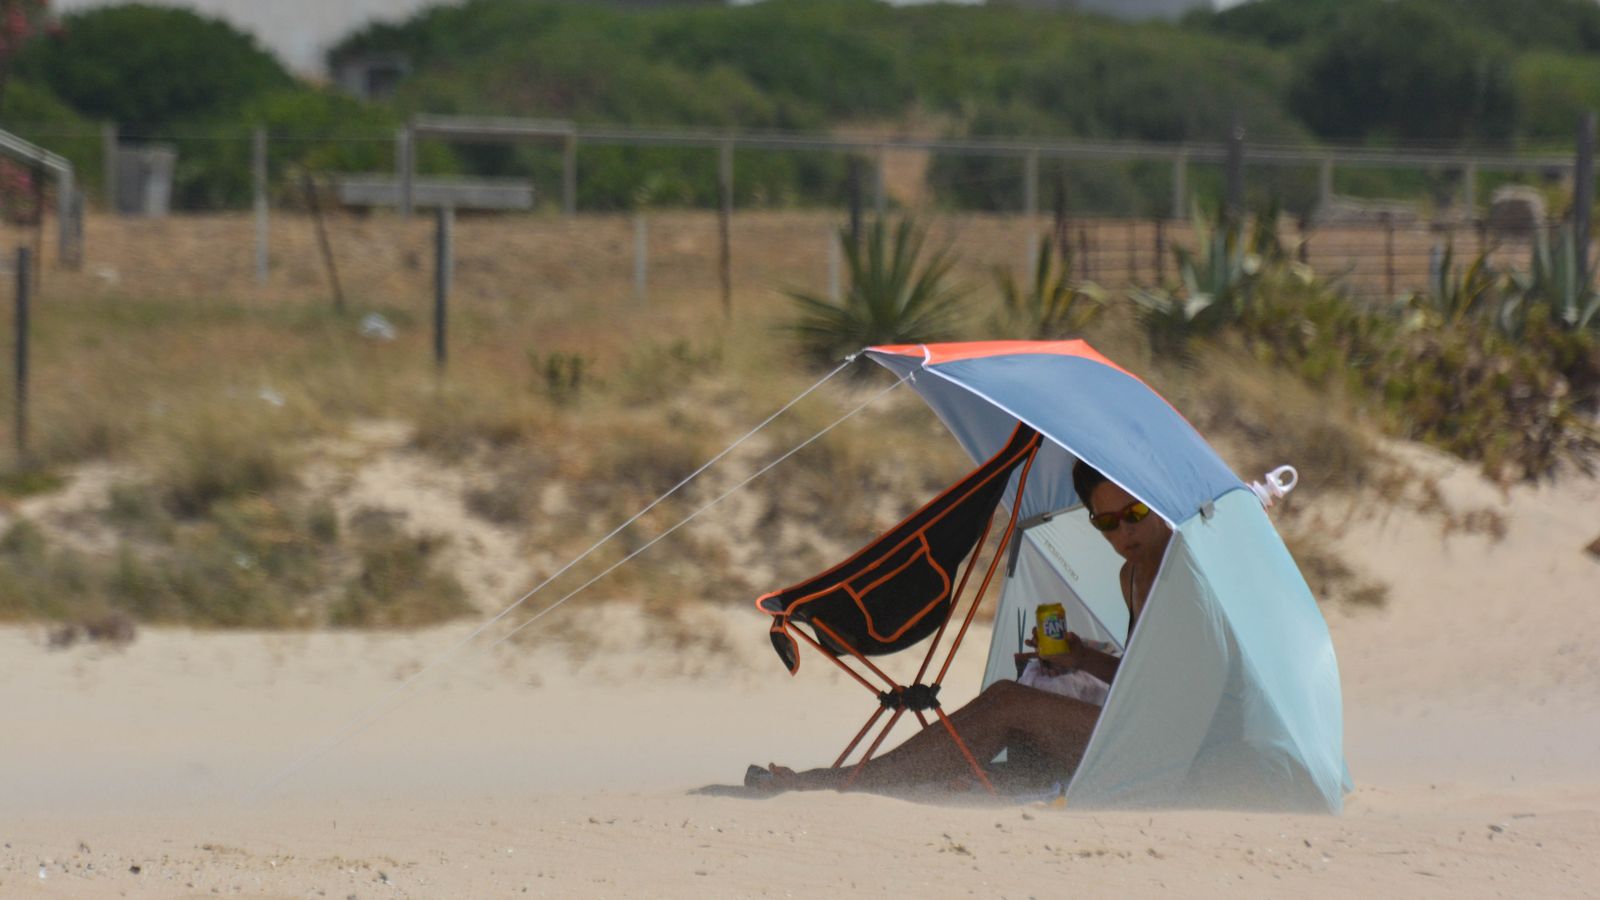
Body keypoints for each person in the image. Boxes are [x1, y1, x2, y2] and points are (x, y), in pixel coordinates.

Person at [752, 459, 1172, 796]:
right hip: (1133, 727)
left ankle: (835, 782)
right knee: (1008, 708)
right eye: (1107, 522)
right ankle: (862, 779)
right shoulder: (1130, 576)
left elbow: (1172, 693)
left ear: (1156, 503)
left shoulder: (1182, 572)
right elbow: (1138, 680)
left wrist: (1087, 663)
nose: (1125, 530)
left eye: (1135, 512)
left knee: (1009, 702)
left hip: (1165, 749)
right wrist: (1080, 658)